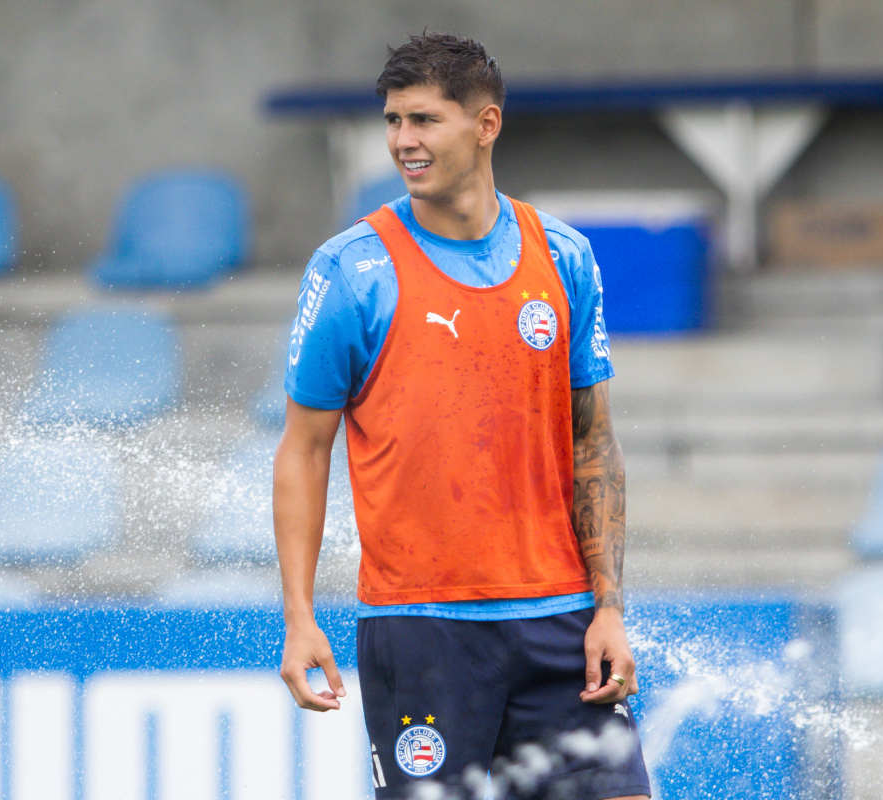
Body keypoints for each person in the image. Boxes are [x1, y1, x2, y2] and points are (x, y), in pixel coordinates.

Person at [274, 31, 650, 800]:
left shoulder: (563, 256)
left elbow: (592, 441)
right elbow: (304, 450)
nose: (403, 141)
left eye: (424, 120)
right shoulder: (352, 270)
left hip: (561, 624)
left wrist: (609, 607)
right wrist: (299, 615)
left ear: (486, 124)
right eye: (393, 121)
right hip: (423, 632)